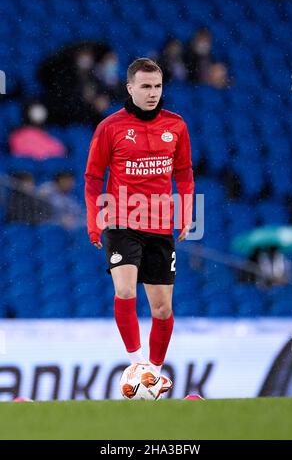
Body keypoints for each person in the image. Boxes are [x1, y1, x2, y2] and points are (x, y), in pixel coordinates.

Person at [85, 58, 194, 393]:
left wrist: (186, 212)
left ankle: (154, 378)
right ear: (130, 87)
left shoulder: (176, 125)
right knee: (126, 290)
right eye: (145, 86)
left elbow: (184, 172)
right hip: (122, 221)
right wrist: (94, 222)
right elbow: (92, 177)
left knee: (162, 308)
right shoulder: (110, 127)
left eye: (158, 86)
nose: (152, 93)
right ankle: (137, 363)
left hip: (160, 225)